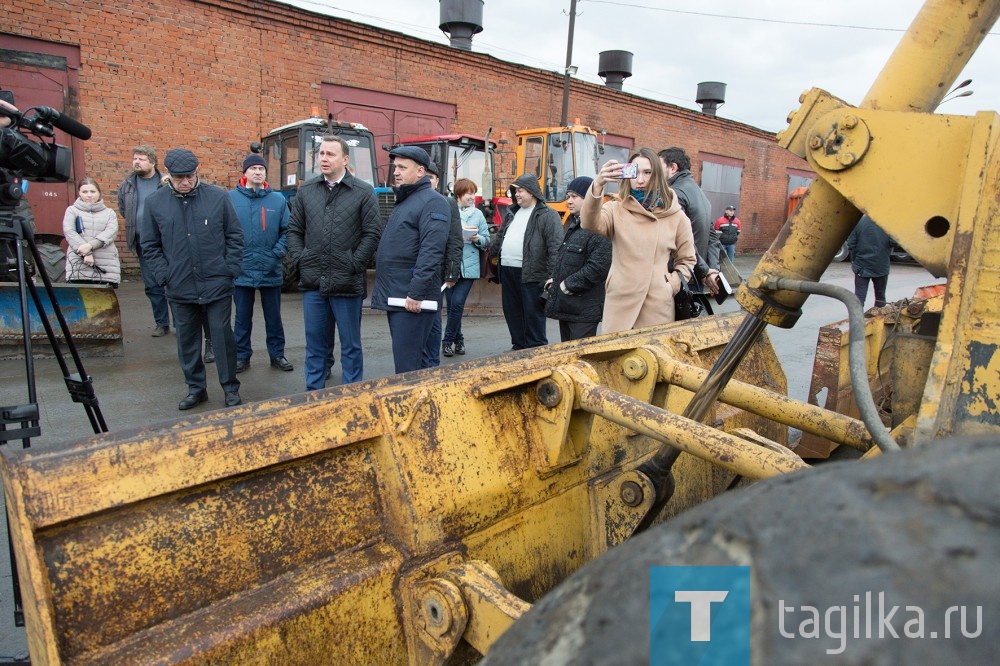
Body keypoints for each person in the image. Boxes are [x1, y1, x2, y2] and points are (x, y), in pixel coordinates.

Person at [140, 148, 244, 409]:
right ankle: (196, 389)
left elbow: (235, 236)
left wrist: (229, 268)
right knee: (187, 342)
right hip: (179, 286)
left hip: (216, 283)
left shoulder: (218, 197)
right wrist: (165, 275)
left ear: (197, 172)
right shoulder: (155, 203)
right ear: (169, 176)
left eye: (189, 176)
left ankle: (230, 388)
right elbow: (150, 245)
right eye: (179, 178)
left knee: (222, 339)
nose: (185, 182)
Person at [286, 135, 381, 388]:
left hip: (347, 283)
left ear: (345, 159)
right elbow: (294, 230)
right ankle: (313, 395)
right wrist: (301, 259)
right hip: (313, 282)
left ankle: (352, 394)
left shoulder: (363, 192)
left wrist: (354, 264)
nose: (324, 159)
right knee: (315, 344)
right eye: (321, 154)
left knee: (350, 345)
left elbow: (372, 233)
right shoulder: (306, 191)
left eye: (330, 154)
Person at [581, 147, 697, 333]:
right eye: (635, 172)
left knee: (652, 359)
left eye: (647, 172)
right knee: (615, 358)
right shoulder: (616, 208)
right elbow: (589, 223)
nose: (640, 180)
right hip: (620, 301)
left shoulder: (676, 216)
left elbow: (687, 259)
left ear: (658, 174)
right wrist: (598, 184)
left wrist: (670, 285)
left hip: (656, 305)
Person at [370, 146, 451, 373]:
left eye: (402, 167)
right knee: (415, 364)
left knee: (409, 368)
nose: (396, 172)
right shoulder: (407, 200)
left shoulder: (433, 202)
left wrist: (416, 292)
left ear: (420, 171)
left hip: (411, 300)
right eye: (395, 166)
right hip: (399, 295)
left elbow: (431, 251)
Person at [229, 153, 293, 374]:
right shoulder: (231, 199)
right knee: (242, 317)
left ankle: (277, 354)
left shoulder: (278, 200)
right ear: (244, 173)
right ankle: (241, 356)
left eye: (261, 169)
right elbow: (223, 231)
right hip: (242, 268)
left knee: (273, 317)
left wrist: (277, 253)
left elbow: (288, 231)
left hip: (270, 267)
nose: (258, 172)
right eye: (253, 168)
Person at [491, 174, 564, 349]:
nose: (517, 194)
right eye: (515, 191)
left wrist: (553, 276)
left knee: (532, 315)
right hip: (508, 272)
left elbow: (555, 247)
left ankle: (536, 349)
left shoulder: (548, 215)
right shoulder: (512, 213)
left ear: (532, 192)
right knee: (512, 313)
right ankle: (518, 347)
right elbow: (500, 238)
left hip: (533, 274)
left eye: (520, 191)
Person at [544, 176, 612, 342]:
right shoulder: (575, 226)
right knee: (567, 358)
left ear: (589, 198)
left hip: (584, 311)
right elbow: (566, 259)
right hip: (568, 307)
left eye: (574, 197)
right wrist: (555, 278)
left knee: (580, 358)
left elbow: (598, 267)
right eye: (568, 196)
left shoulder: (599, 228)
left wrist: (567, 285)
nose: (569, 201)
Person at [120, 146, 173, 336]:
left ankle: (181, 323)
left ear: (152, 162)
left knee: (173, 281)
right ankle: (162, 323)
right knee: (152, 284)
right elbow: (123, 209)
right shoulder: (127, 185)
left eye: (141, 159)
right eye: (135, 158)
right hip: (144, 243)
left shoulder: (166, 182)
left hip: (169, 241)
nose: (136, 162)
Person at [658, 148, 721, 303]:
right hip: (694, 277)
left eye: (659, 167)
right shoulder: (700, 193)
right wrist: (712, 270)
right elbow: (712, 238)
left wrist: (705, 271)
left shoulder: (674, 193)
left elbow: (680, 238)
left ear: (673, 168)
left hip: (679, 276)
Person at [442, 177, 491, 356]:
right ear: (459, 194)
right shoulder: (449, 210)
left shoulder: (478, 215)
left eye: (473, 193)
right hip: (450, 265)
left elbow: (488, 239)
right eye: (468, 193)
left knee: (457, 304)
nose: (472, 197)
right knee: (453, 305)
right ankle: (459, 340)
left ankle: (447, 341)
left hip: (469, 267)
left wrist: (478, 239)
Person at [421, 161, 463, 367]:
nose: (427, 180)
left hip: (436, 272)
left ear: (437, 181)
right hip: (413, 271)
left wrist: (452, 271)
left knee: (433, 318)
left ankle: (432, 363)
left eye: (431, 177)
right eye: (424, 176)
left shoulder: (448, 204)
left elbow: (455, 239)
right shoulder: (411, 200)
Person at [62, 178, 121, 285]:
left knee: (105, 299)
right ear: (79, 193)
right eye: (85, 192)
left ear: (99, 193)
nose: (89, 195)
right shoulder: (72, 210)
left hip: (105, 264)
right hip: (78, 264)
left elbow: (110, 233)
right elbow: (69, 232)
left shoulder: (109, 213)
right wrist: (86, 253)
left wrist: (89, 246)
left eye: (92, 191)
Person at [847, 214, 893, 308]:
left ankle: (857, 320)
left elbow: (851, 244)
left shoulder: (858, 223)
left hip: (861, 265)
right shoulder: (887, 224)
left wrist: (855, 260)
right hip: (881, 265)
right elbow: (894, 242)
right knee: (880, 297)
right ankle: (879, 318)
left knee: (859, 298)